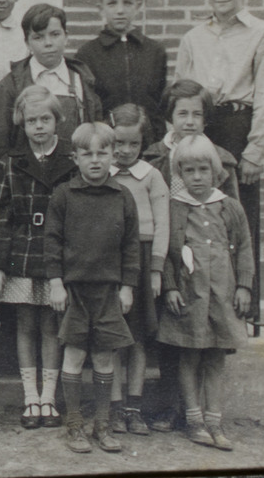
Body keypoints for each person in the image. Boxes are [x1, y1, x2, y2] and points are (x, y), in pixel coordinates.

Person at [174, 0, 264, 324]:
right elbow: (182, 92)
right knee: (198, 216)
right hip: (201, 128)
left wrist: (255, 150)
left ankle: (246, 313)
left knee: (239, 219)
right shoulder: (193, 37)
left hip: (237, 129)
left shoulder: (261, 34)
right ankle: (199, 310)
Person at [142, 79, 240, 434]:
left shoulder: (220, 159)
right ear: (169, 117)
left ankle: (198, 411)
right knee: (173, 338)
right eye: (182, 113)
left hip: (210, 265)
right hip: (170, 259)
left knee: (209, 339)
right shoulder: (155, 157)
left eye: (197, 114)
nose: (189, 121)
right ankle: (171, 406)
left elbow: (233, 221)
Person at [44, 122, 140, 454]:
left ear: (114, 155)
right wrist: (56, 283)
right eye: (87, 154)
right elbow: (52, 243)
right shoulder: (64, 196)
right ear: (75, 157)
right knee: (74, 354)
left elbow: (130, 247)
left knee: (103, 357)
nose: (95, 160)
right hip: (75, 292)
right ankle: (74, 425)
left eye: (103, 153)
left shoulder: (122, 197)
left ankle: (102, 424)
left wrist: (127, 287)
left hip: (109, 292)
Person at [0, 86, 75, 430]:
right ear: (21, 124)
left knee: (52, 325)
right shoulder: (10, 163)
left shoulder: (70, 161)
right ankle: (30, 398)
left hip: (57, 254)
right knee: (25, 324)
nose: (39, 127)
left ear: (58, 121)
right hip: (20, 252)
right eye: (31, 121)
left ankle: (49, 398)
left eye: (45, 119)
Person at [158, 134, 253, 451]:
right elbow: (169, 253)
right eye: (189, 171)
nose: (196, 178)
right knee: (189, 356)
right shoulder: (175, 208)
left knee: (215, 359)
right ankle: (194, 421)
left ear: (215, 171)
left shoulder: (230, 208)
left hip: (222, 297)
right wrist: (169, 287)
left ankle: (215, 421)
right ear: (179, 175)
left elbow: (243, 250)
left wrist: (244, 286)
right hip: (188, 296)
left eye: (203, 170)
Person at [106, 104, 169, 436]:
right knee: (115, 338)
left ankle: (134, 407)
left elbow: (163, 224)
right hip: (112, 262)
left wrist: (156, 269)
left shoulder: (152, 176)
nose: (125, 151)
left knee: (139, 339)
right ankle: (114, 408)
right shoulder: (104, 174)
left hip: (143, 262)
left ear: (143, 142)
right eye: (118, 143)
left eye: (133, 144)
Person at [0, 3, 101, 150]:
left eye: (55, 34)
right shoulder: (10, 86)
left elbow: (95, 135)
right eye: (38, 37)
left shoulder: (83, 80)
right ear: (27, 43)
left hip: (75, 170)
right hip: (26, 170)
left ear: (66, 37)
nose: (48, 43)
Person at [76, 0, 168, 140]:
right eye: (112, 3)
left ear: (137, 5)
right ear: (101, 8)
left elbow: (159, 104)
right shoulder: (87, 54)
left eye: (127, 3)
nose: (120, 10)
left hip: (148, 143)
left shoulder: (155, 51)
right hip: (106, 144)